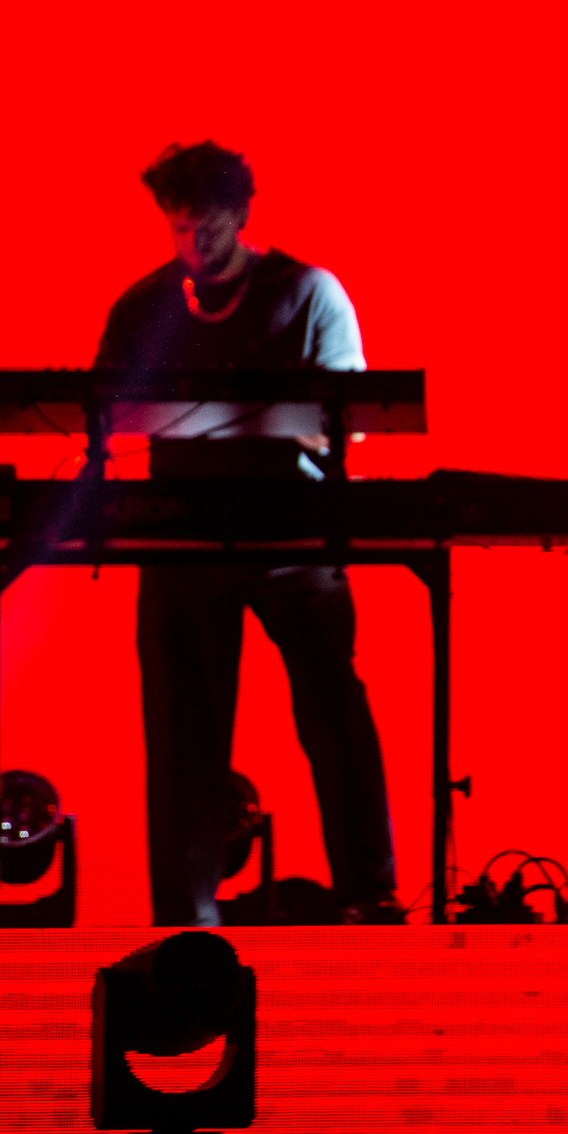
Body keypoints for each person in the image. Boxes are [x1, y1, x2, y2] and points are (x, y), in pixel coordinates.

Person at [96, 140, 403, 927]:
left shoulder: (306, 294)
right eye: (180, 228)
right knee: (181, 727)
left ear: (240, 215)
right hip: (183, 537)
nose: (194, 245)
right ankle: (184, 917)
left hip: (291, 530)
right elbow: (105, 413)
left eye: (208, 228)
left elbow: (351, 421)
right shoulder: (143, 307)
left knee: (330, 702)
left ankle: (369, 893)